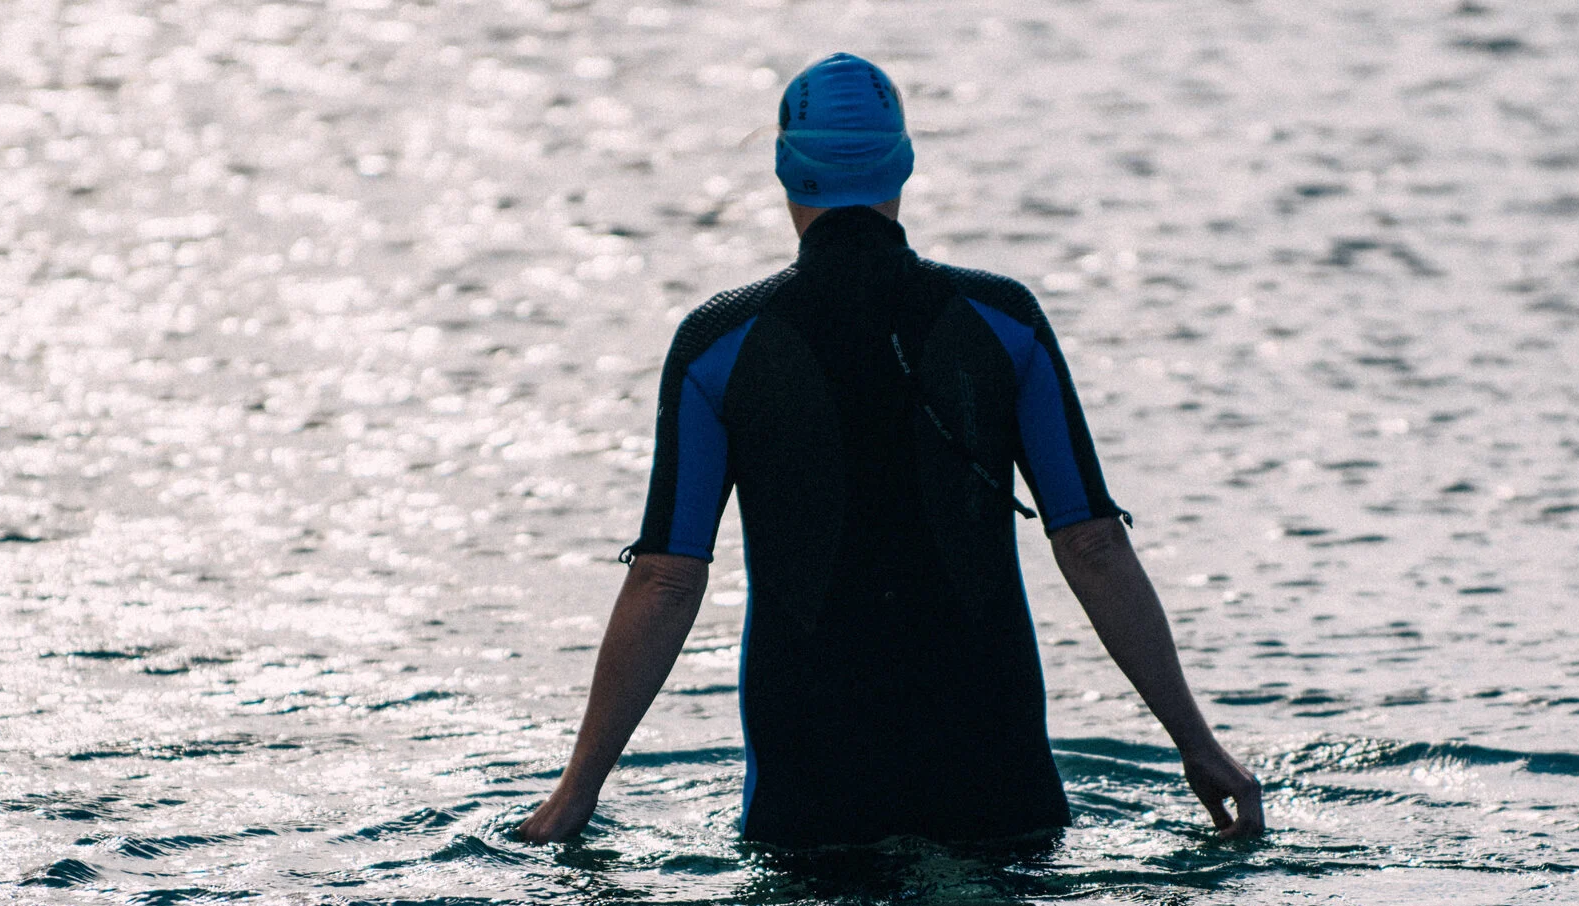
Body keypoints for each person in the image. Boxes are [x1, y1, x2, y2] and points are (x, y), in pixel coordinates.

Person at [515, 52, 1262, 848]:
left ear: (781, 167)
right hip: (991, 762)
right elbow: (1092, 542)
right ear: (903, 161)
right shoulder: (1003, 322)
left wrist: (577, 789)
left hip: (815, 775)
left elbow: (667, 579)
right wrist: (1196, 744)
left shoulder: (717, 344)